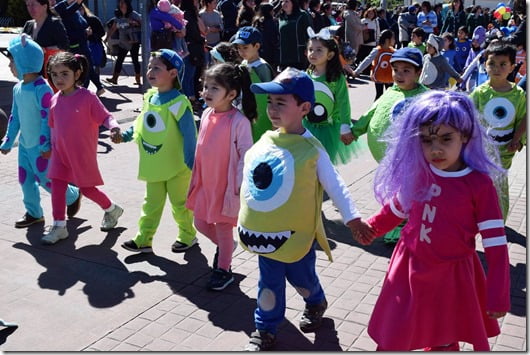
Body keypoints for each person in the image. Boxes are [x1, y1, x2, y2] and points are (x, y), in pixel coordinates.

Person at [357, 91, 510, 351]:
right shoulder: (420, 171)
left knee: (444, 337)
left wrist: (497, 293)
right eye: (427, 140)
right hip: (408, 267)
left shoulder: (478, 184)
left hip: (451, 275)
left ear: (464, 135)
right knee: (394, 332)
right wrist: (372, 227)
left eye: (446, 138)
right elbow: (398, 207)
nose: (436, 149)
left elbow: (495, 244)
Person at [241, 67, 374, 351]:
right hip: (267, 235)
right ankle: (265, 328)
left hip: (298, 237)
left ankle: (315, 301)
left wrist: (353, 219)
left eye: (281, 103)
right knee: (269, 283)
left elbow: (336, 185)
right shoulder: (265, 140)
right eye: (271, 103)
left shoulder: (312, 149)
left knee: (302, 279)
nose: (273, 109)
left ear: (304, 108)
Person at [118, 49, 198, 254]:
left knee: (180, 204)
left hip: (177, 166)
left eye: (156, 68)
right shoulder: (151, 96)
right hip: (154, 164)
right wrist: (127, 134)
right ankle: (144, 239)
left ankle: (188, 236)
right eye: (149, 67)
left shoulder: (178, 103)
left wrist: (191, 161)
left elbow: (190, 133)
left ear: (173, 73)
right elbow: (141, 121)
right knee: (151, 204)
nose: (150, 71)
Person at [186, 63, 256, 291]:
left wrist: (239, 184)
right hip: (206, 183)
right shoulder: (206, 113)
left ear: (232, 94)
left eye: (214, 88)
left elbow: (246, 155)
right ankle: (227, 247)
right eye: (206, 86)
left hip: (227, 186)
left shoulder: (239, 121)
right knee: (200, 222)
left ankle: (224, 269)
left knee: (224, 226)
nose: (206, 92)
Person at [0, 34, 81, 229]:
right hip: (25, 147)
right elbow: (15, 117)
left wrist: (46, 144)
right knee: (25, 180)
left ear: (24, 62)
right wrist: (8, 141)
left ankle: (72, 194)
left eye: (13, 61)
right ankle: (34, 213)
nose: (10, 66)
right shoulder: (18, 88)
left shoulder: (42, 88)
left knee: (46, 180)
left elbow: (48, 118)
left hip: (41, 147)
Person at [43, 52, 123, 244]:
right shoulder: (54, 99)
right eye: (54, 74)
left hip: (81, 155)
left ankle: (112, 209)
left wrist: (114, 128)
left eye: (64, 73)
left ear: (77, 74)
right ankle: (59, 226)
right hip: (60, 155)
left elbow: (106, 117)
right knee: (57, 186)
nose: (59, 79)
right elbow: (53, 127)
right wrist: (47, 145)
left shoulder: (87, 97)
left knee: (87, 189)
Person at [351, 47, 428, 244]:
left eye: (406, 70)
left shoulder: (425, 97)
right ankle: (397, 225)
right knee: (394, 193)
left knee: (406, 194)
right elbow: (371, 113)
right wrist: (355, 131)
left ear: (418, 73)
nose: (399, 75)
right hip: (390, 162)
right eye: (396, 70)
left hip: (412, 160)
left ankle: (405, 229)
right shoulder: (390, 93)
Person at [469, 41, 526, 220]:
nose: (497, 68)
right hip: (481, 151)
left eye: (503, 64)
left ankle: (499, 221)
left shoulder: (518, 94)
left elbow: (523, 118)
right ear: (485, 65)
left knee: (499, 185)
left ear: (512, 67)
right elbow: (468, 117)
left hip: (504, 150)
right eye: (492, 63)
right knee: (479, 184)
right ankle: (478, 217)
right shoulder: (479, 93)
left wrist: (518, 139)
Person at [304, 27, 359, 166]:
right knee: (307, 165)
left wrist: (345, 126)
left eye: (319, 50)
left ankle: (326, 188)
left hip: (328, 130)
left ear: (329, 55)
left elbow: (343, 102)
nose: (313, 53)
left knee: (324, 165)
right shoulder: (307, 74)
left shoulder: (336, 78)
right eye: (311, 49)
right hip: (307, 127)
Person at [232, 26, 275, 142]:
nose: (241, 52)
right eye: (239, 48)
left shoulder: (262, 67)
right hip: (246, 110)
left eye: (245, 47)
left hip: (261, 115)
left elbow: (269, 95)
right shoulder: (244, 64)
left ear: (257, 46)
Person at [22, 0, 69, 90]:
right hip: (32, 72)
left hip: (50, 73)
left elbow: (64, 45)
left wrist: (45, 49)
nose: (30, 8)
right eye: (28, 5)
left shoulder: (54, 23)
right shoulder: (28, 24)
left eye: (33, 4)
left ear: (45, 6)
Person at [105, 0, 142, 85]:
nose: (121, 5)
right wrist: (107, 38)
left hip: (133, 42)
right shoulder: (118, 16)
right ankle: (114, 78)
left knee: (135, 60)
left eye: (123, 3)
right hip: (123, 42)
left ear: (127, 4)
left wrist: (133, 22)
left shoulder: (134, 14)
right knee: (119, 60)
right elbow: (113, 28)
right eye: (120, 3)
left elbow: (142, 24)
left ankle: (138, 80)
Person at [352, 29, 396, 100]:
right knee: (379, 95)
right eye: (393, 38)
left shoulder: (394, 51)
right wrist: (357, 71)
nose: (394, 40)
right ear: (387, 40)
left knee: (390, 96)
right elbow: (367, 61)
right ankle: (374, 110)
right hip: (379, 77)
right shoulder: (377, 50)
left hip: (389, 77)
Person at [80, 3, 106, 96]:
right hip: (84, 47)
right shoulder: (75, 20)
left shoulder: (92, 19)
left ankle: (86, 90)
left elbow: (102, 32)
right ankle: (99, 87)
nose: (79, 12)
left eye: (80, 9)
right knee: (88, 68)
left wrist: (91, 34)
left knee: (90, 68)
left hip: (93, 46)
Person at [278, 0, 311, 70]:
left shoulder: (302, 15)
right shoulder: (280, 17)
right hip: (284, 58)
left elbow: (309, 33)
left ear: (293, 3)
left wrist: (308, 48)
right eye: (282, 1)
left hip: (299, 57)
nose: (284, 4)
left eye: (286, 1)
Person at [252, 2, 280, 73]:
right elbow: (274, 38)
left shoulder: (257, 22)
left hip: (260, 51)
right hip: (271, 52)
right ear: (270, 11)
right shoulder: (273, 22)